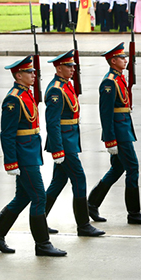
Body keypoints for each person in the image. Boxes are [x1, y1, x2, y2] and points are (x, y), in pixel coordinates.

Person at [0, 56, 65, 256]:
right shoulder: (13, 99)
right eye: (29, 72)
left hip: (30, 152)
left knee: (22, 198)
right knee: (39, 196)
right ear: (19, 75)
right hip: (23, 157)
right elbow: (7, 133)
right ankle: (42, 244)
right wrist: (11, 162)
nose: (34, 75)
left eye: (33, 71)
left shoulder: (26, 94)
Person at [86, 43, 141, 226]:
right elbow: (105, 113)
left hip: (124, 129)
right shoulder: (109, 82)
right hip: (118, 133)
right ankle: (134, 213)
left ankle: (91, 204)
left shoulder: (119, 78)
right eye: (122, 58)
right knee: (133, 168)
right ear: (113, 61)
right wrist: (110, 140)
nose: (125, 60)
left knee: (117, 169)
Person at [43, 51, 104, 238]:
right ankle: (83, 225)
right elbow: (52, 123)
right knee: (79, 178)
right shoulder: (56, 90)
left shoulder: (66, 86)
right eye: (68, 66)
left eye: (73, 66)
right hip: (63, 143)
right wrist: (58, 149)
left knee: (58, 182)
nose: (72, 69)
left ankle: (38, 220)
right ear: (58, 68)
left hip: (69, 139)